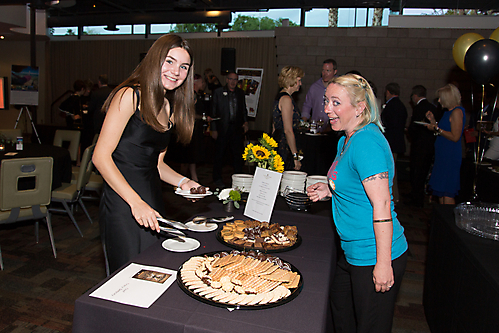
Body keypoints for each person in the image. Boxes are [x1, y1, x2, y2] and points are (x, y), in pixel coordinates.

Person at [306, 74, 408, 332]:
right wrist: (330, 190)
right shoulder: (346, 138)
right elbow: (352, 181)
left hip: (373, 253)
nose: (327, 109)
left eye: (335, 103)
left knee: (370, 326)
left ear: (360, 107)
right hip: (351, 251)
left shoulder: (366, 143)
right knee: (341, 312)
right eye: (327, 101)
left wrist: (383, 264)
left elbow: (382, 204)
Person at [93, 34, 202, 274]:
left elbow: (157, 164)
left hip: (151, 200)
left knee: (154, 272)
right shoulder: (130, 95)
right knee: (127, 275)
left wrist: (185, 182)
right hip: (124, 202)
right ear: (155, 60)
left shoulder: (168, 106)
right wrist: (136, 203)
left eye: (183, 66)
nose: (176, 71)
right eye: (170, 61)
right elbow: (100, 157)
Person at [424, 83, 465, 205]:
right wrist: (432, 121)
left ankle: (448, 219)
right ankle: (442, 218)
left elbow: (455, 136)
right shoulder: (448, 112)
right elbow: (443, 129)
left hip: (450, 156)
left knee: (447, 192)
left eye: (441, 98)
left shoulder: (457, 112)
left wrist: (437, 129)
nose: (439, 100)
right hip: (443, 155)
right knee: (441, 192)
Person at [210, 71, 248, 188]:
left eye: (235, 80)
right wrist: (213, 129)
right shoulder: (218, 92)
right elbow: (213, 112)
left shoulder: (240, 93)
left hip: (236, 129)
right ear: (227, 80)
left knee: (238, 155)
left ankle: (239, 179)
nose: (233, 82)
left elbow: (243, 109)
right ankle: (217, 178)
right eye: (231, 79)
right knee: (219, 155)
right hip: (222, 128)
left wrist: (245, 122)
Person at [406, 85, 437, 207]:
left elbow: (414, 128)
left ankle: (416, 199)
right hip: (429, 147)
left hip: (419, 147)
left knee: (417, 173)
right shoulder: (431, 107)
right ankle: (416, 195)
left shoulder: (419, 108)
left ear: (415, 95)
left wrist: (410, 132)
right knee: (423, 173)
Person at [272, 65, 304, 171]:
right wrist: (295, 157)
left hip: (279, 142)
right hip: (284, 146)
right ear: (291, 80)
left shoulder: (280, 96)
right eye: (299, 80)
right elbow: (288, 130)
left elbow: (274, 124)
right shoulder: (286, 99)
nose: (300, 84)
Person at [381, 82, 407, 204]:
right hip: (397, 142)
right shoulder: (402, 106)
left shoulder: (391, 106)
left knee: (391, 171)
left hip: (391, 143)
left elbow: (388, 125)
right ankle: (394, 196)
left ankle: (393, 196)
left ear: (388, 92)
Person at [301, 58, 337, 131]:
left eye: (328, 71)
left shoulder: (339, 87)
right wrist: (303, 123)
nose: (325, 73)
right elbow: (307, 106)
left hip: (332, 130)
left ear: (335, 72)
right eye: (323, 70)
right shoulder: (314, 87)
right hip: (315, 128)